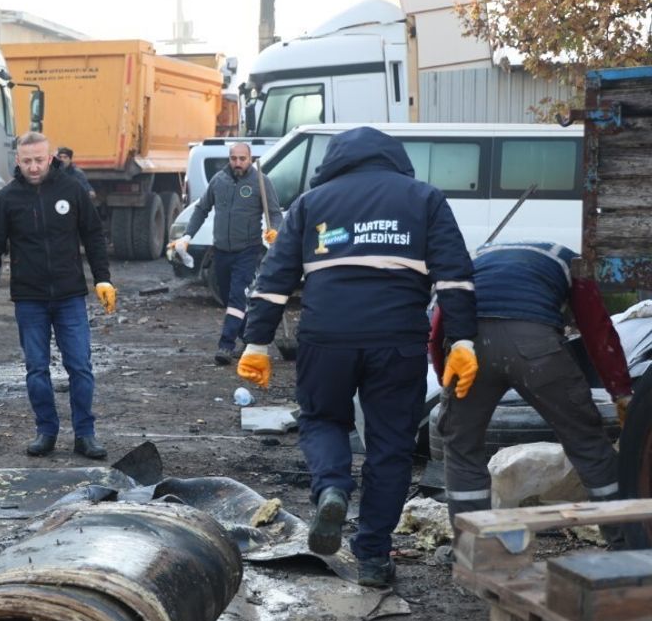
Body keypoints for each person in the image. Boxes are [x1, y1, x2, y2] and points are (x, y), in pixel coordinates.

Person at [235, 126, 479, 587]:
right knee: (391, 446)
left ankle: (332, 487)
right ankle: (372, 557)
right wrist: (462, 341)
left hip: (326, 336)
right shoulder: (424, 198)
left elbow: (274, 278)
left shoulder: (312, 202)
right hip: (398, 339)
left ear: (337, 161)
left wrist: (256, 342)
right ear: (394, 159)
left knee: (323, 419)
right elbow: (455, 276)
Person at [431, 241, 635, 545]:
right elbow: (597, 330)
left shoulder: (472, 260)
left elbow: (439, 323)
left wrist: (447, 376)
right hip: (537, 350)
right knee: (589, 444)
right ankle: (625, 542)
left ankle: (470, 549)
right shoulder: (568, 260)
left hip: (472, 348)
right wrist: (620, 391)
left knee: (461, 447)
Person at [0, 131, 116, 459]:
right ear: (17, 161)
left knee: (80, 366)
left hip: (69, 297)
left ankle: (85, 434)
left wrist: (102, 279)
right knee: (37, 369)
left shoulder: (72, 190)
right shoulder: (8, 199)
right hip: (30, 299)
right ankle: (46, 431)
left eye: (39, 160)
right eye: (27, 161)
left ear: (50, 158)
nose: (34, 167)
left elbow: (93, 236)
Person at [168, 142, 283, 366]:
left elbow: (275, 214)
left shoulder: (261, 181)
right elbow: (202, 209)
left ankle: (226, 346)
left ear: (250, 159)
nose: (238, 163)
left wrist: (275, 232)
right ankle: (253, 338)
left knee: (237, 297)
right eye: (234, 158)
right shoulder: (219, 181)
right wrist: (187, 236)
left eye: (242, 158)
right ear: (229, 159)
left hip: (247, 251)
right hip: (221, 251)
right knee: (229, 300)